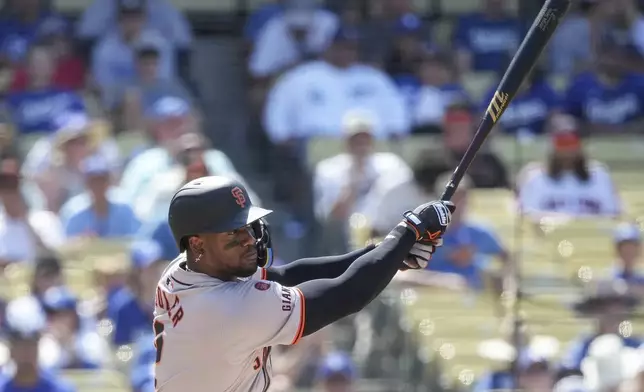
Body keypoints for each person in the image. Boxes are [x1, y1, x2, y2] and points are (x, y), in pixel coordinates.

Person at [153, 176, 453, 391]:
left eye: (246, 227)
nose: (248, 240)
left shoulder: (187, 268)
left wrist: (386, 253)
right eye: (232, 233)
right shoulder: (228, 309)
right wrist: (409, 230)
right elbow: (346, 295)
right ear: (198, 243)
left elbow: (288, 275)